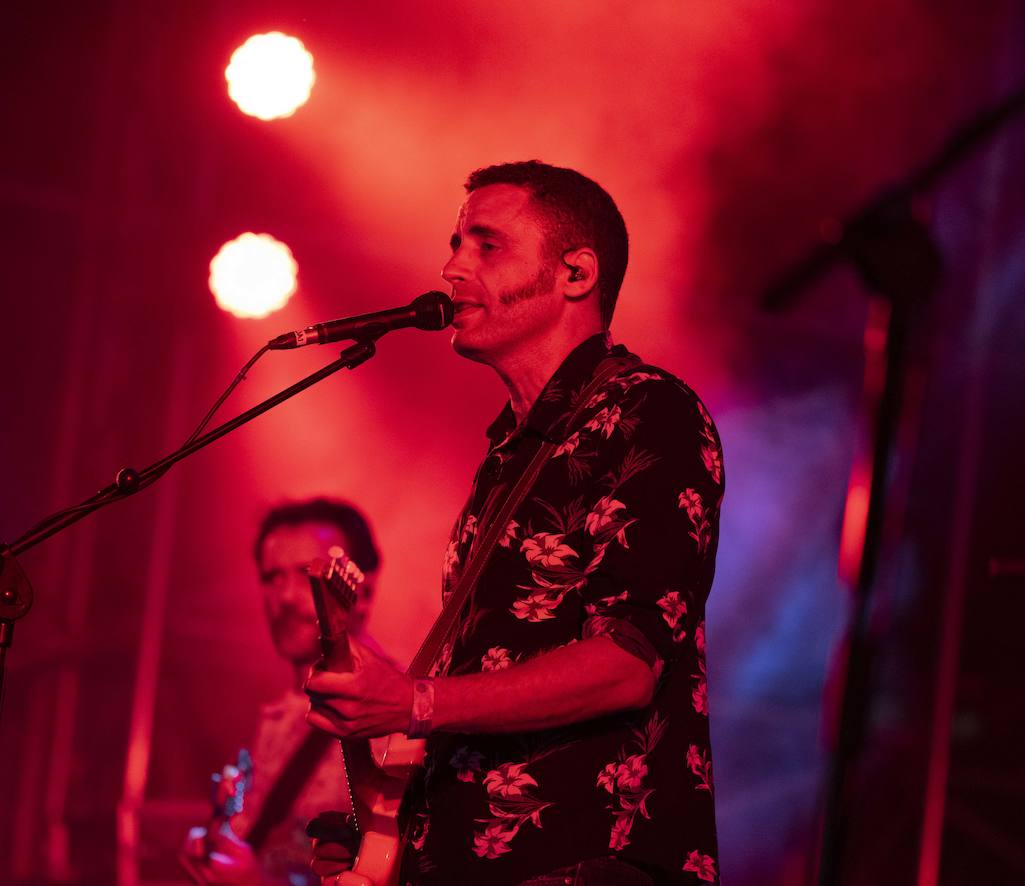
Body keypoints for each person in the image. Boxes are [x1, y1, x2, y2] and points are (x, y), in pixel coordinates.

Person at [304, 161, 724, 885]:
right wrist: (383, 833)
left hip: (590, 862)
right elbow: (483, 698)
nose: (450, 266)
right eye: (455, 244)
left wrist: (415, 701)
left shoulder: (651, 413)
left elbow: (629, 664)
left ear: (576, 274)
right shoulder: (505, 456)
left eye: (485, 245)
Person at [183, 498, 387, 886]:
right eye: (273, 577)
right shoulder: (270, 717)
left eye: (308, 574)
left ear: (366, 588)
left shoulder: (393, 725)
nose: (286, 597)